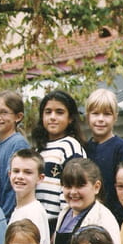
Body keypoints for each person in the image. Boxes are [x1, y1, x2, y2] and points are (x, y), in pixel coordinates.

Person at [31, 90, 87, 234]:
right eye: (48, 112)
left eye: (59, 112)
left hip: (60, 224)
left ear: (70, 118)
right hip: (39, 222)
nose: (53, 117)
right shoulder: (39, 150)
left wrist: (61, 228)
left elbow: (74, 189)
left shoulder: (70, 146)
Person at [52, 158, 121, 244]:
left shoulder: (104, 219)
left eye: (80, 186)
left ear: (96, 187)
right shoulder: (64, 214)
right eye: (68, 186)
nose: (73, 192)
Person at [84, 88, 123, 224]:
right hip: (87, 219)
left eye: (107, 114)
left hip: (114, 219)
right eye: (95, 113)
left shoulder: (122, 148)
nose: (100, 119)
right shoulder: (84, 149)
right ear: (88, 116)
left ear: (115, 117)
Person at [8, 149, 52, 244]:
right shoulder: (19, 210)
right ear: (9, 174)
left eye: (27, 172)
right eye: (16, 171)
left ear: (40, 178)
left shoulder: (33, 213)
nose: (20, 176)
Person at [0, 90, 30, 218]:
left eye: (4, 112)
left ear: (18, 117)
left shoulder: (18, 143)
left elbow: (14, 189)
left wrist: (3, 219)